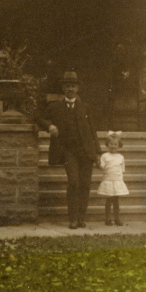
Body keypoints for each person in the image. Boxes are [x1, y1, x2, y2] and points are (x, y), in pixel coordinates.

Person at [38, 71, 101, 229]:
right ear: (63, 88)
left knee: (85, 184)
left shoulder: (85, 107)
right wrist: (50, 126)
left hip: (86, 151)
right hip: (67, 151)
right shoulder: (55, 107)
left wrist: (98, 152)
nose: (70, 89)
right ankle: (72, 219)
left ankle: (81, 218)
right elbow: (38, 117)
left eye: (73, 86)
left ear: (77, 88)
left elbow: (93, 131)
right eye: (67, 86)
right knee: (73, 182)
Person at [96, 131, 130, 226]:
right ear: (107, 144)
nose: (113, 146)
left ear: (119, 145)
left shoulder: (120, 157)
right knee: (108, 201)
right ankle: (107, 219)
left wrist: (120, 181)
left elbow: (122, 170)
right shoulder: (105, 156)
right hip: (108, 181)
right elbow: (102, 166)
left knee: (116, 202)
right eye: (111, 144)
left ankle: (117, 219)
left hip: (117, 181)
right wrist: (98, 163)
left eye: (115, 144)